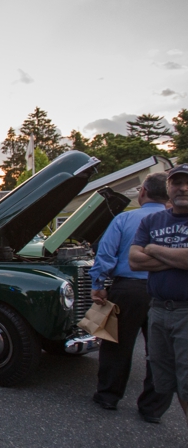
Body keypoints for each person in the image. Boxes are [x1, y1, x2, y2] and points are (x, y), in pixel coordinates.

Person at [89, 172, 173, 420]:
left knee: (116, 344)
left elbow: (105, 255)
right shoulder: (178, 223)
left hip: (128, 290)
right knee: (161, 352)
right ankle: (152, 408)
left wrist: (99, 285)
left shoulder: (124, 219)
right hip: (167, 290)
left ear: (143, 191)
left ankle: (108, 396)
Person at [130, 163, 188, 448]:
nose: (181, 188)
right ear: (168, 188)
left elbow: (147, 255)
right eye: (176, 183)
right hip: (159, 310)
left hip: (186, 311)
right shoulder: (153, 220)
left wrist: (155, 249)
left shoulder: (153, 232)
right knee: (175, 382)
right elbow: (133, 259)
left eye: (186, 183)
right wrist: (176, 256)